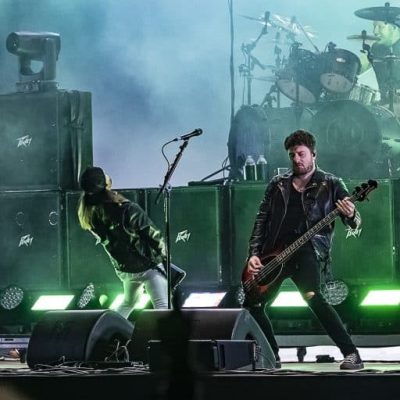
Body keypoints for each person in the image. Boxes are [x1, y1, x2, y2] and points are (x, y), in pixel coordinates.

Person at [243, 130, 364, 370]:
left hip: (308, 251)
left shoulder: (331, 183)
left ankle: (352, 355)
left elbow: (355, 221)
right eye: (292, 155)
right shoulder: (278, 184)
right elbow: (261, 219)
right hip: (274, 254)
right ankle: (271, 355)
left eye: (301, 154)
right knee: (252, 304)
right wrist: (254, 254)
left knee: (313, 297)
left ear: (313, 154)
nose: (297, 159)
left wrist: (351, 214)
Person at [78, 166, 184, 318]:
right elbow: (154, 235)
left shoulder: (89, 213)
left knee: (129, 302)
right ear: (104, 183)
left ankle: (110, 328)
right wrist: (166, 258)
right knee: (163, 305)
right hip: (148, 265)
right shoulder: (127, 208)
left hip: (125, 269)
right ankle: (162, 334)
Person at [359, 20, 400, 107]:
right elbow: (358, 69)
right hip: (385, 104)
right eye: (374, 26)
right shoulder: (376, 48)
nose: (375, 31)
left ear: (394, 27)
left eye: (380, 27)